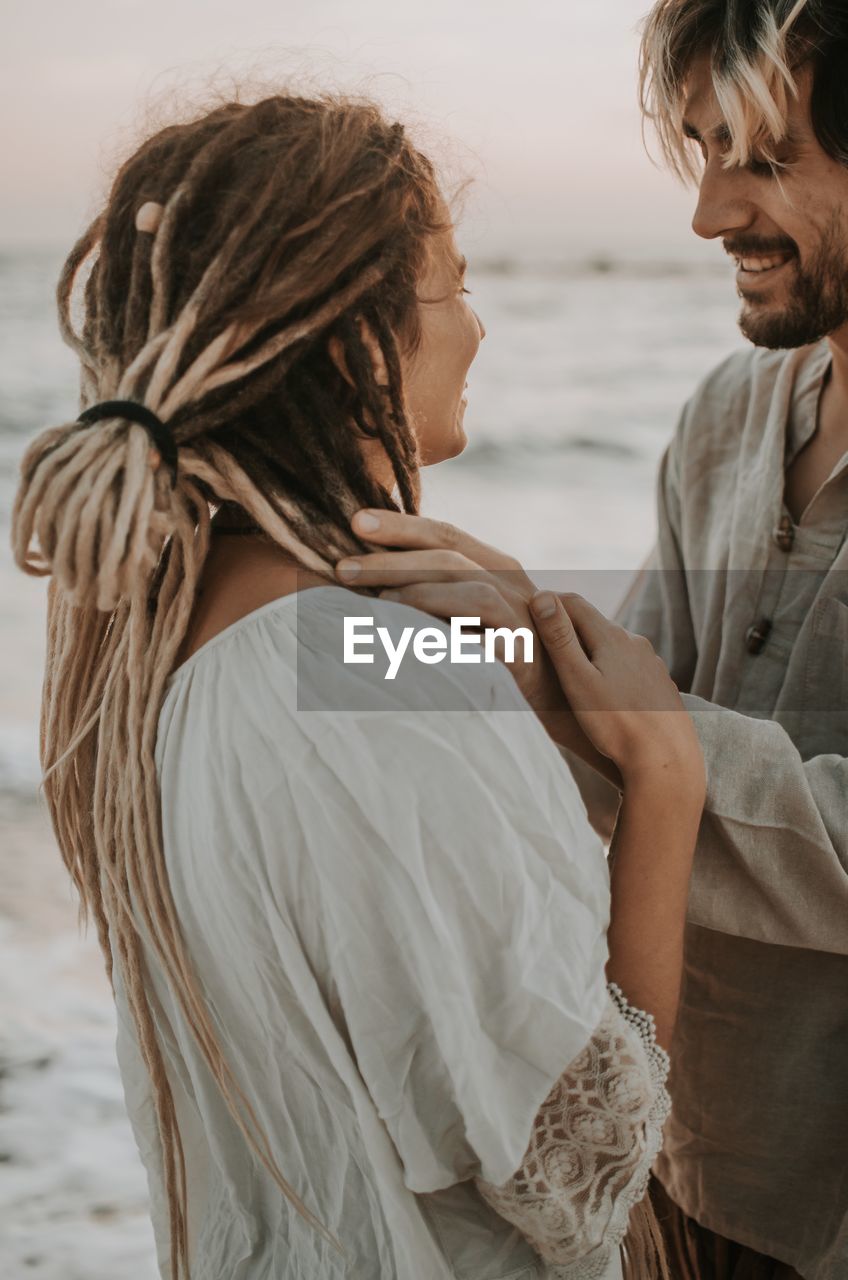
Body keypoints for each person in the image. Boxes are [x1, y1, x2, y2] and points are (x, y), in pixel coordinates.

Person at [10, 95, 707, 1279]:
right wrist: (662, 771)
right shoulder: (369, 675)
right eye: (453, 283)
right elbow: (577, 1158)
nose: (478, 330)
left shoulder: (155, 645)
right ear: (357, 345)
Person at [346, 3, 848, 1278]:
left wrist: (585, 684)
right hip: (677, 1156)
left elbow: (652, 737)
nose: (709, 213)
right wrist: (406, 648)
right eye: (702, 151)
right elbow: (624, 737)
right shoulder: (732, 413)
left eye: (767, 160)